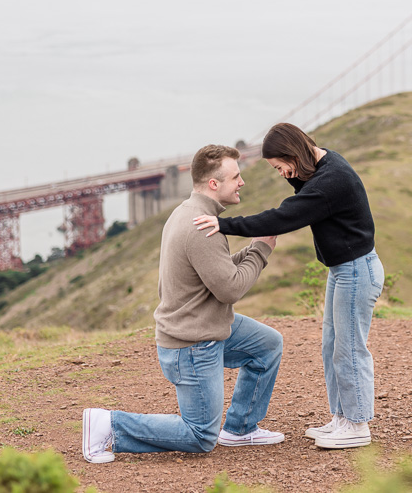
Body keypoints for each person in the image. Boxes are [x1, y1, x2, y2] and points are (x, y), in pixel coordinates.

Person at [81, 144, 284, 464]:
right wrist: (261, 250)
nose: (242, 182)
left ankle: (241, 427)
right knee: (201, 434)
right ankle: (109, 424)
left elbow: (215, 272)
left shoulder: (190, 212)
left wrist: (253, 247)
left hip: (206, 326)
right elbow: (230, 289)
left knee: (267, 344)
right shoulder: (201, 226)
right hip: (192, 344)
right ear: (214, 184)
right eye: (236, 176)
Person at [193, 123, 383, 450]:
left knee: (349, 347)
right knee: (332, 345)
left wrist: (224, 224)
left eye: (281, 167)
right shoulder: (322, 164)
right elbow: (301, 186)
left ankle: (357, 424)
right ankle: (342, 418)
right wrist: (293, 168)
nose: (282, 174)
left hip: (357, 270)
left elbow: (284, 217)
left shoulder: (330, 182)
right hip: (342, 269)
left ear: (294, 154)